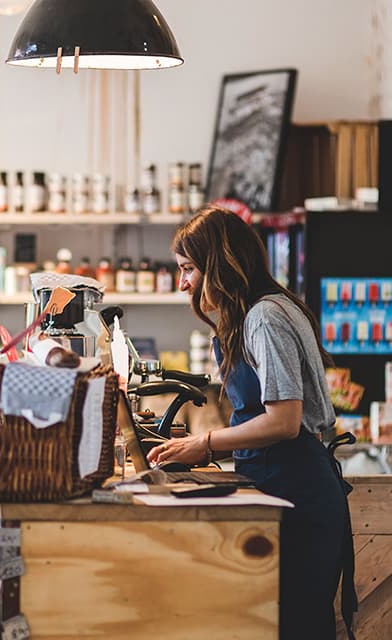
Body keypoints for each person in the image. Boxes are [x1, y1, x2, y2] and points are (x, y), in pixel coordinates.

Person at [147, 206, 356, 640]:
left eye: (188, 269)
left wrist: (205, 443)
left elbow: (284, 421)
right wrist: (197, 448)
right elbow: (259, 422)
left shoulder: (265, 316)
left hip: (299, 491)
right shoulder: (252, 316)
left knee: (297, 626)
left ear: (218, 265)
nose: (182, 282)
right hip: (279, 483)